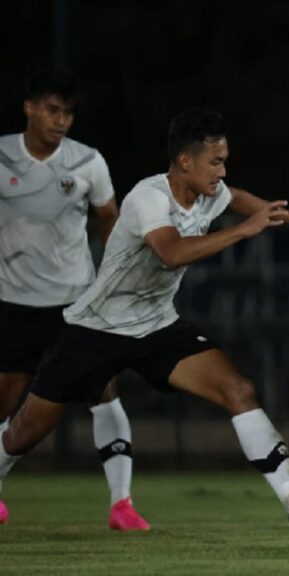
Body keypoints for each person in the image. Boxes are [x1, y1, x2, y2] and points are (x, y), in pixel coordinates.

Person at [0, 107, 289, 535]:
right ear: (185, 161)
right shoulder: (148, 197)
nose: (222, 171)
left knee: (238, 389)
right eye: (215, 161)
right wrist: (244, 230)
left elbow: (235, 198)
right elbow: (172, 253)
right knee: (22, 435)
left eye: (224, 161)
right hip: (96, 328)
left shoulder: (210, 192)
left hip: (155, 326)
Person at [0, 70, 148, 530]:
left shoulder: (87, 162)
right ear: (29, 108)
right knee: (5, 407)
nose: (61, 121)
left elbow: (111, 218)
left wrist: (114, 277)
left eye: (67, 113)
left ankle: (121, 504)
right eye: (52, 110)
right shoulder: (1, 155)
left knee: (104, 394)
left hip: (75, 306)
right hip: (15, 305)